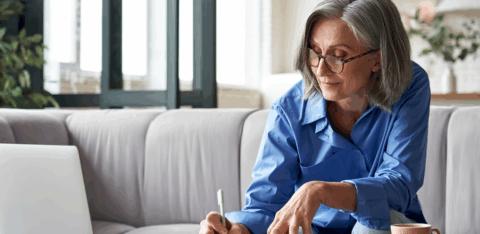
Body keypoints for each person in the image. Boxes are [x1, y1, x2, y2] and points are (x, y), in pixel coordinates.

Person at [200, 0, 430, 233]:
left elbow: (399, 184)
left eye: (338, 56)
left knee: (369, 227)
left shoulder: (409, 86)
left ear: (378, 59)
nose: (320, 70)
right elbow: (265, 206)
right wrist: (238, 228)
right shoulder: (288, 110)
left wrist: (319, 191)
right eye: (314, 53)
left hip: (387, 225)